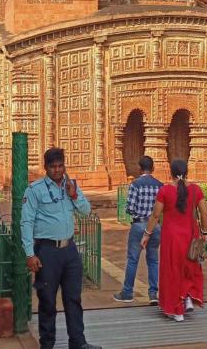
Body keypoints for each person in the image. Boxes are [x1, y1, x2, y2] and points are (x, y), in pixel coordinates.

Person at [21, 148, 101, 349]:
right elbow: (26, 222)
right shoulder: (35, 190)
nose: (57, 170)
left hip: (69, 250)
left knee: (73, 298)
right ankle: (47, 344)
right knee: (47, 300)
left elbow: (86, 211)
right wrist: (30, 254)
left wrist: (74, 196)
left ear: (64, 165)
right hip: (46, 251)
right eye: (52, 167)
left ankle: (78, 343)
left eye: (60, 166)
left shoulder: (71, 185)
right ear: (45, 167)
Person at [141, 159, 207, 322]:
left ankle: (177, 311)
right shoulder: (195, 190)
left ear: (170, 173)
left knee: (173, 271)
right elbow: (204, 213)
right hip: (192, 236)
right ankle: (187, 298)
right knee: (191, 267)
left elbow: (156, 215)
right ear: (187, 172)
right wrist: (205, 232)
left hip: (172, 238)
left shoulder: (165, 191)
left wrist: (147, 233)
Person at [113, 156, 162, 305]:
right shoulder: (160, 185)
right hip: (155, 226)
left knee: (133, 259)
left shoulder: (135, 184)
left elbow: (130, 207)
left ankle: (127, 292)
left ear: (140, 168)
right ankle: (153, 293)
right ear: (153, 168)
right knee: (153, 260)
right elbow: (162, 208)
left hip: (139, 224)